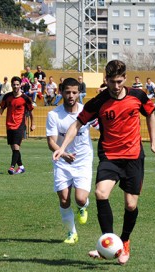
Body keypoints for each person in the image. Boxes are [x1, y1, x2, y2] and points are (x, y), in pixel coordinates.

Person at [52, 60, 155, 265]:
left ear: (125, 79)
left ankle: (125, 241)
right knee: (100, 193)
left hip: (133, 157)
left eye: (119, 81)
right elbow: (77, 124)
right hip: (110, 156)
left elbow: (150, 113)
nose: (116, 86)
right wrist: (62, 147)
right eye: (112, 81)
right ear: (106, 79)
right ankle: (109, 243)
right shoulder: (99, 101)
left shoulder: (137, 96)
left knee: (130, 205)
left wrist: (154, 143)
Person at [46, 78, 94, 244]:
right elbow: (51, 141)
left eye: (74, 92)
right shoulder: (54, 115)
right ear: (61, 92)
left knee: (80, 198)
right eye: (67, 92)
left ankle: (83, 206)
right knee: (64, 199)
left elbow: (101, 125)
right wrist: (63, 153)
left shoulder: (86, 112)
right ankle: (71, 233)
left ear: (79, 92)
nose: (71, 95)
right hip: (62, 161)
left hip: (83, 161)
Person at [0, 76, 36, 175]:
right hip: (9, 125)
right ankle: (21, 167)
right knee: (13, 148)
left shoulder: (25, 98)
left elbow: (31, 112)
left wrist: (33, 123)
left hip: (20, 125)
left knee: (16, 146)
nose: (15, 86)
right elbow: (2, 108)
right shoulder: (7, 96)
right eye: (14, 84)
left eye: (17, 84)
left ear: (20, 85)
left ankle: (12, 167)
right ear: (12, 85)